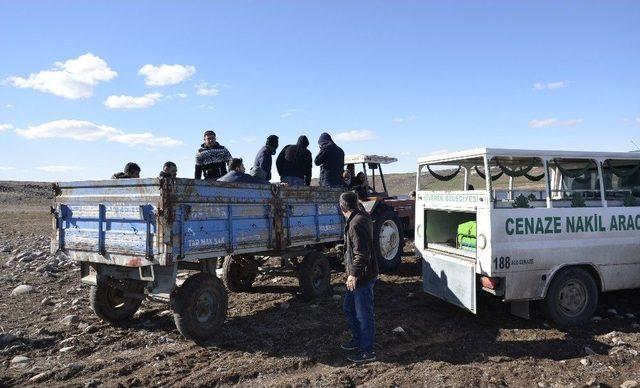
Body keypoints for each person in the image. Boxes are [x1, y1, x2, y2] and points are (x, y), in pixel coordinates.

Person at [339, 191, 378, 363]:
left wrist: (353, 274)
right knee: (348, 308)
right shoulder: (359, 216)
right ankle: (358, 340)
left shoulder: (356, 223)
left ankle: (367, 351)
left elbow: (362, 254)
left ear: (342, 207)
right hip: (356, 275)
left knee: (364, 314)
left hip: (361, 276)